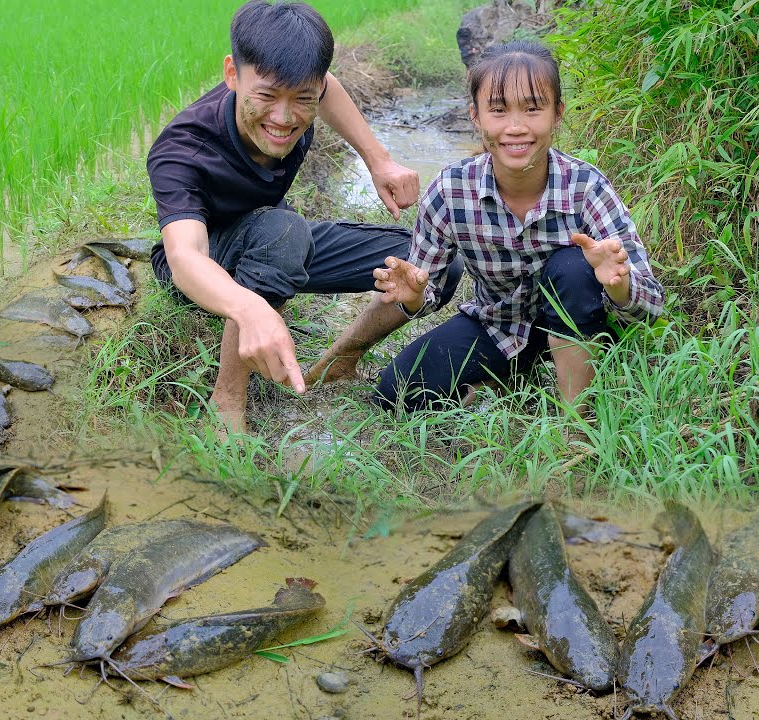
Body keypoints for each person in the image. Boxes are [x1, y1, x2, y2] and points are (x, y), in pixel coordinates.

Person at [147, 0, 463, 434]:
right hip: (208, 263)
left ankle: (339, 359)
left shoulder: (305, 93)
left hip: (272, 240)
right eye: (267, 96)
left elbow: (326, 85)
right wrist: (247, 307)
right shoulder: (182, 150)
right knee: (284, 230)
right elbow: (184, 257)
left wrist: (378, 161)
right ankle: (227, 400)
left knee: (431, 261)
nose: (283, 116)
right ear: (231, 74)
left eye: (302, 99)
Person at [371, 41, 664, 416]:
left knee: (573, 268)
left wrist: (618, 283)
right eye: (497, 110)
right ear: (475, 116)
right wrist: (412, 296)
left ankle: (578, 421)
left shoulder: (585, 187)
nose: (515, 127)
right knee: (394, 393)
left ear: (557, 113)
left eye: (532, 108)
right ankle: (507, 375)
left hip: (584, 321)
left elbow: (651, 305)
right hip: (499, 324)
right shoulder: (450, 190)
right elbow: (427, 290)